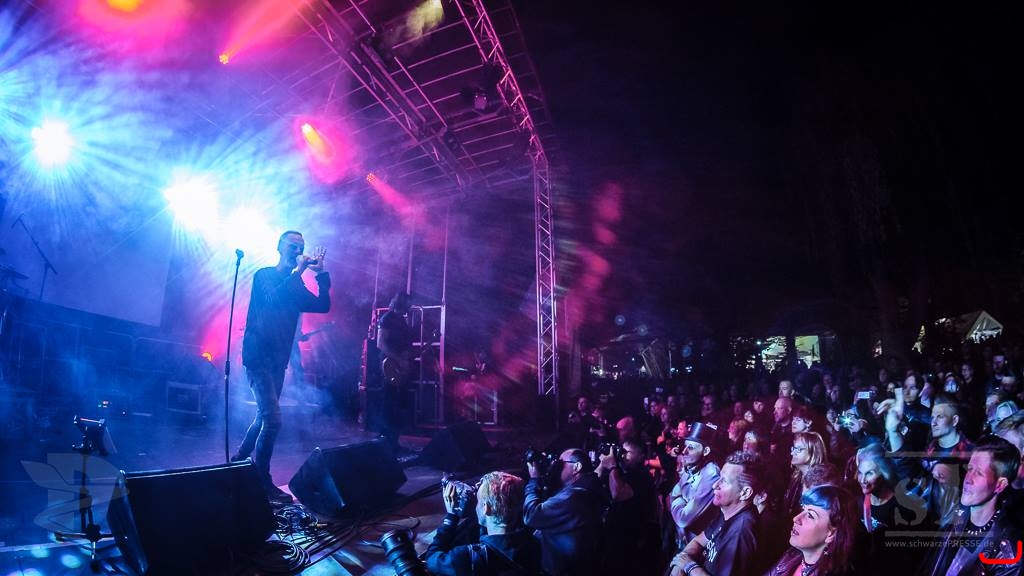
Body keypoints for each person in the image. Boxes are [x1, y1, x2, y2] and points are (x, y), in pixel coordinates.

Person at [233, 231, 330, 504]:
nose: (298, 250)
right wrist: (299, 273)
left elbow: (322, 305)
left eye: (301, 246)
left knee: (263, 417)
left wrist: (321, 274)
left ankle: (239, 460)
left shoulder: (296, 284)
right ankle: (262, 479)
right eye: (292, 245)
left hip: (277, 360)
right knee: (273, 419)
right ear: (279, 247)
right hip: (257, 357)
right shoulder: (264, 275)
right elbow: (272, 300)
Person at [425, 471, 543, 576]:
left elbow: (431, 560)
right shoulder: (533, 543)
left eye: (478, 502)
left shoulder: (467, 558)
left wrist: (451, 517)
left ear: (487, 508)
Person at [669, 451, 763, 576]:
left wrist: (689, 566)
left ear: (745, 493)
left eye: (724, 481)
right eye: (719, 478)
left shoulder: (741, 531)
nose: (714, 485)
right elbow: (699, 541)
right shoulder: (727, 512)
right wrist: (680, 563)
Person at [523, 448, 604, 576]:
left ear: (576, 467)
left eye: (560, 464)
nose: (556, 468)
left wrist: (534, 481)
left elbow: (531, 515)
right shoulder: (589, 486)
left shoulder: (574, 496)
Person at [763, 484, 862, 576]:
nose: (796, 519)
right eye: (803, 510)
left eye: (810, 515)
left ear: (831, 534)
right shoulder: (791, 556)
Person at [376, 291, 414, 447]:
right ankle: (384, 439)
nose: (410, 306)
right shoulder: (387, 319)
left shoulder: (402, 321)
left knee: (399, 403)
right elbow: (380, 343)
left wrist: (407, 356)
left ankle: (393, 440)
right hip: (389, 364)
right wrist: (398, 358)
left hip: (400, 364)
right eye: (408, 303)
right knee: (389, 400)